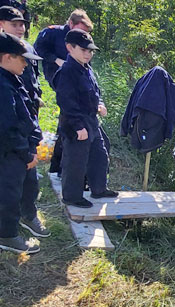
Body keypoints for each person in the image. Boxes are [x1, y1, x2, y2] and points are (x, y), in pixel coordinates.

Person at [53, 28, 116, 208]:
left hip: (91, 121)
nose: (88, 54)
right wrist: (77, 126)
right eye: (83, 50)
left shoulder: (86, 69)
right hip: (75, 124)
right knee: (76, 161)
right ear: (69, 48)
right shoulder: (66, 72)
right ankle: (72, 196)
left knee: (99, 155)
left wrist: (100, 105)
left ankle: (99, 189)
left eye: (90, 51)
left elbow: (95, 92)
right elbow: (66, 102)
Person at [0, 32, 47, 254]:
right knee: (8, 193)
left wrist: (35, 142)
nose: (27, 64)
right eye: (22, 58)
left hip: (19, 150)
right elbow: (8, 128)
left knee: (19, 189)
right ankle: (7, 236)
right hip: (10, 153)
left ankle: (17, 224)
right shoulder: (2, 86)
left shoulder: (11, 78)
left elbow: (25, 115)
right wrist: (26, 154)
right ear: (7, 57)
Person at [34, 9, 93, 176]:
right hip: (57, 74)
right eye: (80, 29)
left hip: (75, 75)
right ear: (71, 24)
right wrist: (56, 60)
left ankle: (59, 166)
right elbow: (38, 50)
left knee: (68, 118)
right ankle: (61, 167)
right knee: (69, 113)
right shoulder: (52, 33)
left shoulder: (82, 40)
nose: (83, 33)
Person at [0, 6, 41, 121]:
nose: (20, 29)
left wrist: (37, 94)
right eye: (14, 25)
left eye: (21, 25)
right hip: (10, 104)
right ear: (1, 24)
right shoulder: (2, 51)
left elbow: (35, 74)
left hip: (30, 102)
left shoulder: (28, 48)